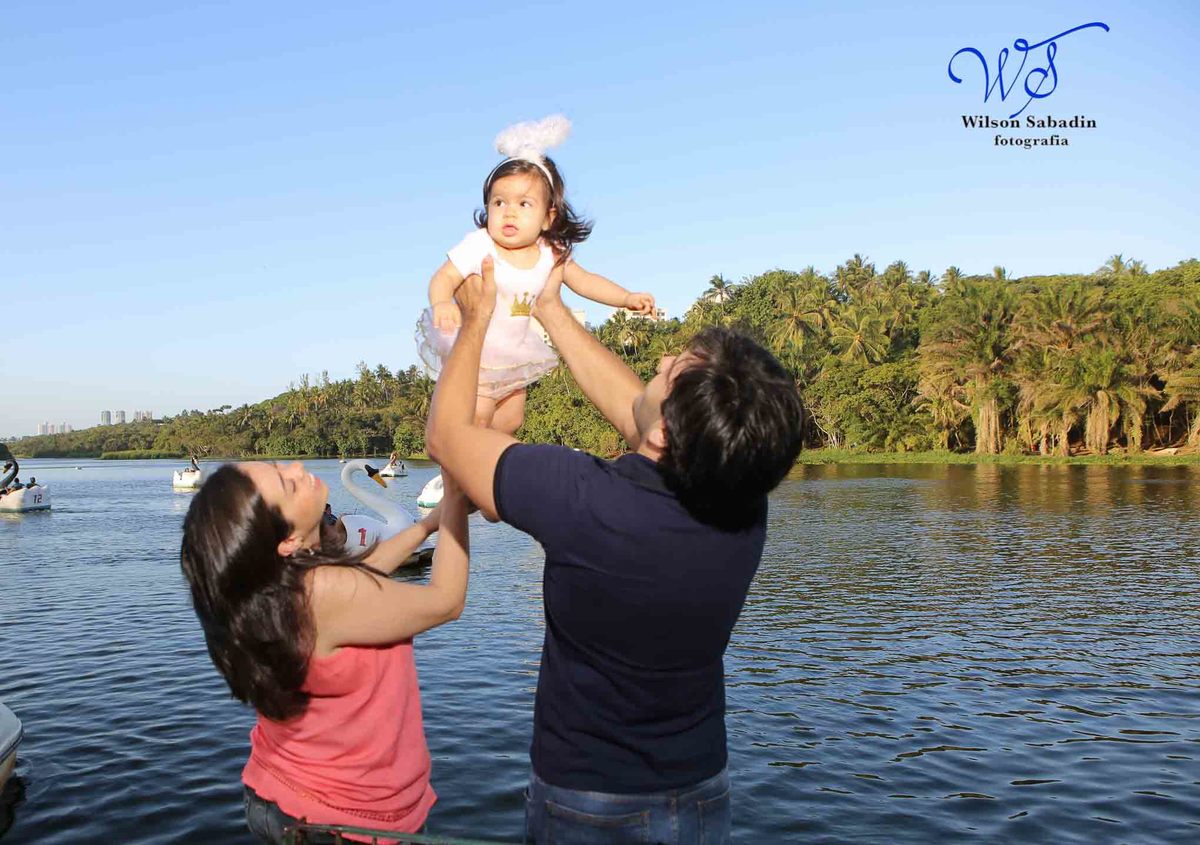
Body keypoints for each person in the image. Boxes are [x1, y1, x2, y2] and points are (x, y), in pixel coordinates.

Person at [425, 260, 804, 843]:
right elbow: (646, 420)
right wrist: (551, 308)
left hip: (588, 803)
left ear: (666, 435)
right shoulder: (743, 498)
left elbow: (447, 439)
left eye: (667, 371)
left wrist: (474, 321)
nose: (655, 364)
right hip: (702, 790)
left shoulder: (579, 497)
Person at [179, 462, 472, 844]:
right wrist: (456, 497)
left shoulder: (274, 589)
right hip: (340, 822)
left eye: (281, 467)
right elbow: (446, 602)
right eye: (287, 483)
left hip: (284, 796)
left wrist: (428, 525)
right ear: (285, 541)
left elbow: (361, 575)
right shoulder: (320, 592)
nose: (298, 468)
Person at [416, 115, 655, 435]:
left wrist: (625, 298)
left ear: (547, 216)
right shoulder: (480, 245)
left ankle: (488, 470)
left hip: (515, 352)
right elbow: (443, 277)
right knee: (477, 419)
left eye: (524, 204)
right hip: (476, 354)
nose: (509, 212)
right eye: (498, 202)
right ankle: (459, 483)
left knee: (512, 419)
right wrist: (442, 302)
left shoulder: (550, 252)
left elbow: (585, 281)